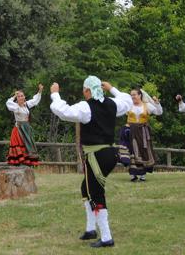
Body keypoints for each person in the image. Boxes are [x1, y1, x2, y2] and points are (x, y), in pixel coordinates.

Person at [50, 76, 132, 248]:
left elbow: (63, 111)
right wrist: (112, 88)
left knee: (96, 193)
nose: (83, 92)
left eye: (84, 90)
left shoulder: (86, 107)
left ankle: (106, 236)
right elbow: (127, 100)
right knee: (85, 188)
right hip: (109, 154)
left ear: (87, 90)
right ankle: (90, 229)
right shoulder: (112, 104)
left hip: (96, 155)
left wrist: (55, 94)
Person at [121, 87, 162, 182]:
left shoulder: (146, 105)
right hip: (131, 130)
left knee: (143, 150)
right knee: (132, 151)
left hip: (143, 131)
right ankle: (133, 174)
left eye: (134, 94)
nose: (132, 97)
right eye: (131, 95)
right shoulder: (128, 105)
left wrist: (157, 103)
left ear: (140, 95)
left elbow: (159, 112)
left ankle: (142, 174)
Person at [6, 84, 43, 166]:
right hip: (19, 129)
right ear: (17, 99)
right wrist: (13, 96)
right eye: (18, 96)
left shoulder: (26, 105)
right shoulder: (16, 107)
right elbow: (8, 103)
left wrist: (40, 91)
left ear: (24, 97)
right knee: (20, 145)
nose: (21, 97)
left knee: (28, 146)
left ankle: (27, 165)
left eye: (22, 96)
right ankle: (19, 165)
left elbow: (35, 100)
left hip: (26, 128)